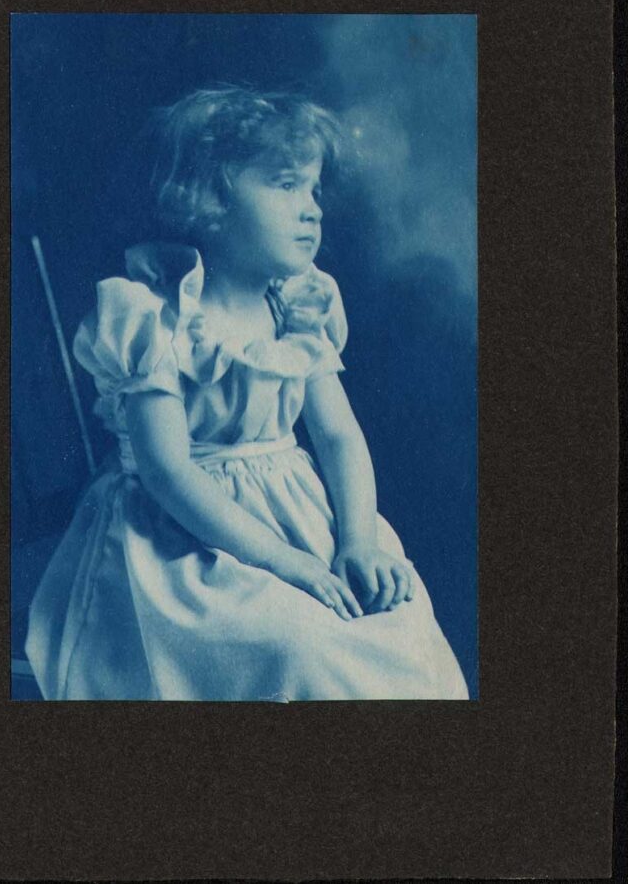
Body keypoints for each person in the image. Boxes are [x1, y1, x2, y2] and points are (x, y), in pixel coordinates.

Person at [25, 85, 469, 701]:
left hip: (295, 511)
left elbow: (338, 436)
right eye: (285, 186)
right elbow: (170, 473)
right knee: (298, 644)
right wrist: (286, 564)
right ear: (210, 199)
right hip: (182, 537)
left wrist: (358, 540)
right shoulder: (155, 317)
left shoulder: (299, 305)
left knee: (398, 614)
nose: (311, 209)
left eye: (313, 190)